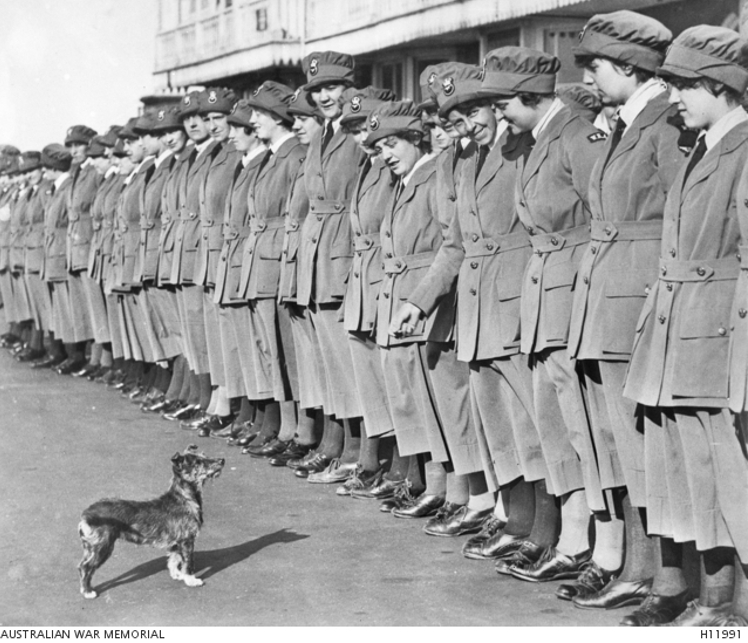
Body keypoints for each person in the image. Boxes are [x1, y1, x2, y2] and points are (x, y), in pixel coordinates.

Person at [623, 25, 748, 627]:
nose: (672, 98)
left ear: (715, 85)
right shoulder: (706, 144)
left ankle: (734, 610)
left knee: (727, 476)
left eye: (681, 86)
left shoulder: (742, 148)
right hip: (681, 329)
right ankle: (717, 601)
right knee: (693, 476)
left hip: (717, 338)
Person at [564, 10, 685, 611]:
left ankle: (663, 575)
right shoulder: (623, 123)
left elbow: (679, 221)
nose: (588, 74)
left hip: (636, 299)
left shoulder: (665, 125)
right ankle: (639, 565)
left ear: (630, 67)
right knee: (618, 440)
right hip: (606, 296)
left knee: (641, 444)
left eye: (595, 64)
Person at [481, 46, 606, 581]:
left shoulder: (577, 135)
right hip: (542, 294)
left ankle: (584, 539)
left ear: (528, 96)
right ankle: (570, 533)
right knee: (553, 424)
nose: (500, 114)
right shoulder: (535, 142)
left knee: (578, 426)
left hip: (570, 292)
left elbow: (603, 218)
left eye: (504, 102)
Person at [294, 51, 367, 478]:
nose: (324, 96)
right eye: (318, 89)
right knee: (331, 361)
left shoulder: (357, 132)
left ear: (350, 87)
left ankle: (359, 451)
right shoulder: (323, 132)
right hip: (318, 255)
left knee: (350, 360)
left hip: (344, 252)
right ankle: (340, 444)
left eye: (332, 87)